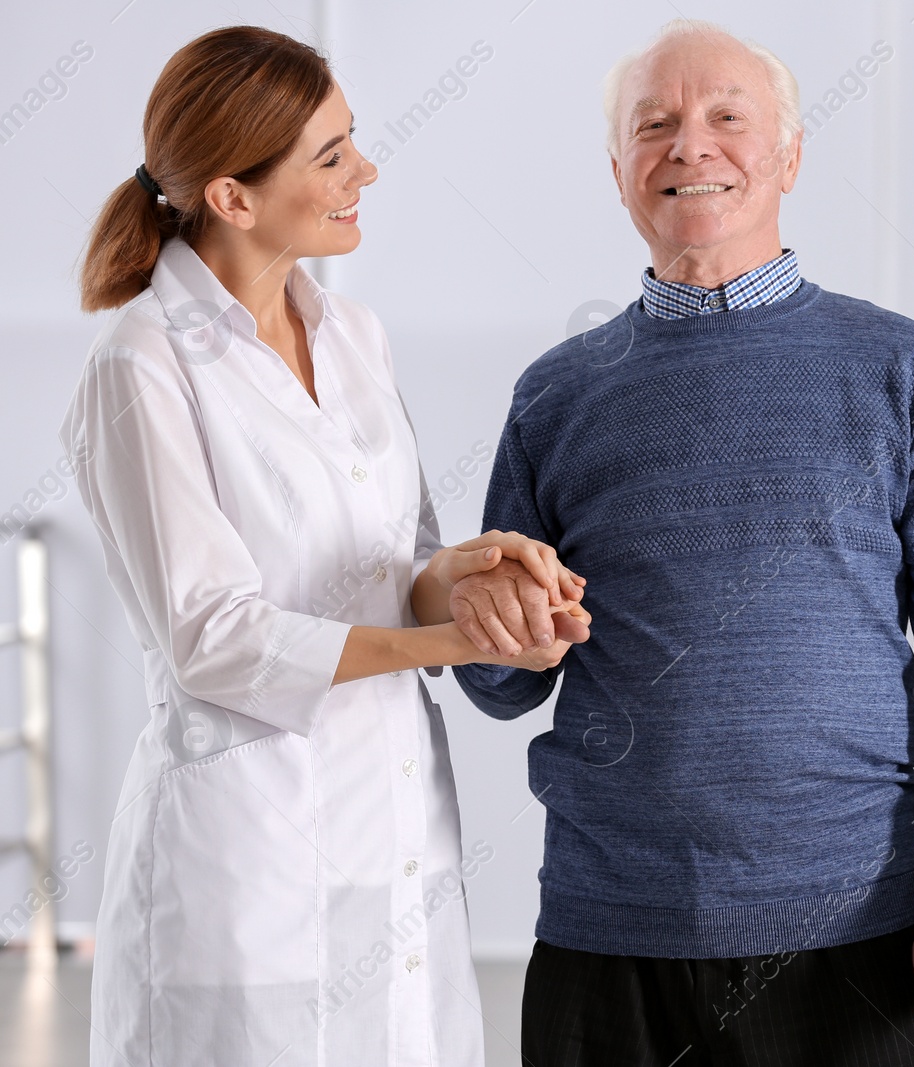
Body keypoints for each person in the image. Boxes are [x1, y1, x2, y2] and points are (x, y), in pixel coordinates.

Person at [451, 18, 914, 1065]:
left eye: (727, 117)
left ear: (791, 155)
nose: (690, 146)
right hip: (607, 935)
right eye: (655, 124)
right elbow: (500, 681)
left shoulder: (901, 368)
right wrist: (495, 633)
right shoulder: (556, 393)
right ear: (619, 167)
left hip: (852, 935)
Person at [61, 26, 588, 1067]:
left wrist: (482, 574)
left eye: (355, 141)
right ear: (232, 197)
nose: (367, 172)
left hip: (389, 822)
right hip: (242, 844)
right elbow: (212, 638)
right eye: (332, 155)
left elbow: (403, 560)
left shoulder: (352, 333)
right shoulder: (143, 363)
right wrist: (454, 646)